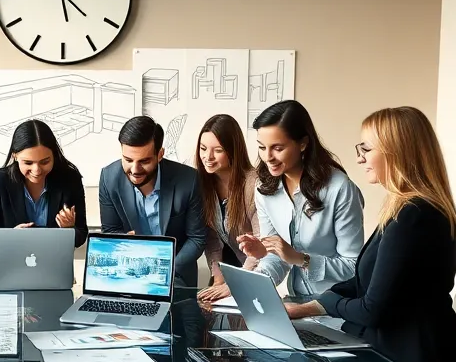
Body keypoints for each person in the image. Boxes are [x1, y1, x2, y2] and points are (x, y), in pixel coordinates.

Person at [286, 107, 456, 362]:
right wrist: (308, 307)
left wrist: (321, 305)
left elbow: (372, 310)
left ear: (396, 152)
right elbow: (364, 281)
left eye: (366, 149)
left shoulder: (414, 216)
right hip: (393, 352)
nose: (360, 158)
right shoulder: (405, 209)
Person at [235, 100, 364, 301]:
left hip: (337, 303)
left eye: (277, 148)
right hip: (295, 299)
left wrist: (301, 259)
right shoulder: (265, 188)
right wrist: (254, 284)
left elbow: (353, 266)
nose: (267, 157)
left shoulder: (339, 188)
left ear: (303, 143)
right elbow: (277, 257)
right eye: (262, 147)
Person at [97, 116, 208, 287]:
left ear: (160, 154)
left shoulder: (189, 180)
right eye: (128, 160)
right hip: (128, 274)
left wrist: (165, 269)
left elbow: (197, 238)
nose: (134, 170)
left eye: (144, 161)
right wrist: (122, 242)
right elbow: (110, 230)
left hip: (175, 276)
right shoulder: (108, 178)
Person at [0, 119, 87, 249]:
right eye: (28, 163)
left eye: (45, 162)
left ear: (54, 155)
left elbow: (81, 237)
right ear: (15, 156)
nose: (37, 170)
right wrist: (11, 236)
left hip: (53, 262)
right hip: (13, 261)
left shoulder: (70, 179)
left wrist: (69, 229)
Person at [193, 114, 261, 303]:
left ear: (233, 151)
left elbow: (261, 244)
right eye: (203, 148)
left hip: (254, 273)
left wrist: (233, 285)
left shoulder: (254, 185)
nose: (208, 157)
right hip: (226, 272)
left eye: (218, 150)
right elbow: (212, 239)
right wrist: (218, 280)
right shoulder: (203, 184)